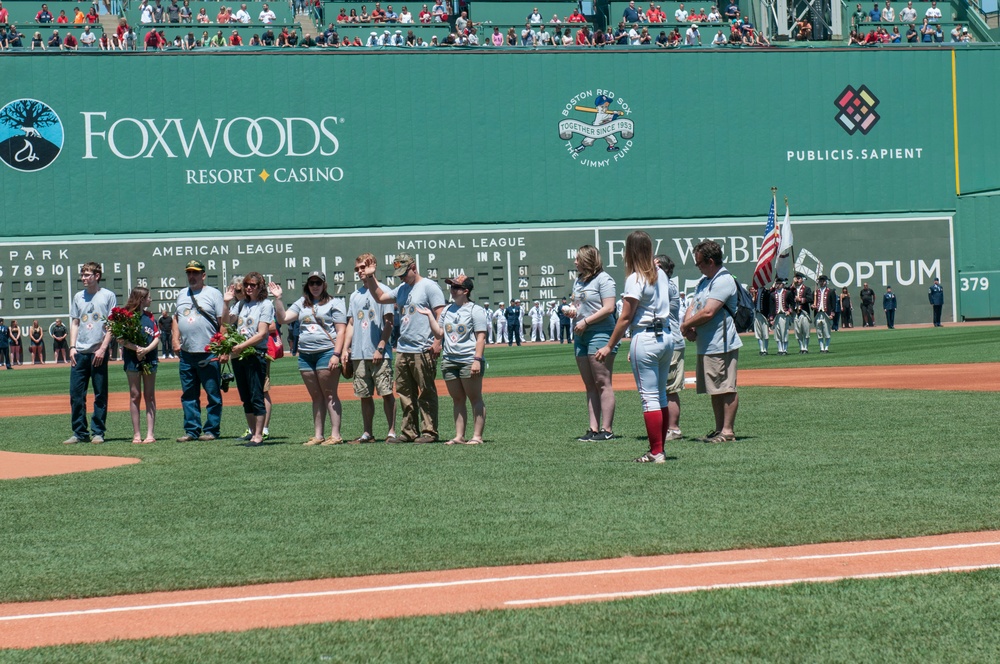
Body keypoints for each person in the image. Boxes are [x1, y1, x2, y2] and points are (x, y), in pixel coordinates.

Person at [595, 232, 672, 462]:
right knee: (661, 396)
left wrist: (610, 345)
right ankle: (660, 449)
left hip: (646, 336)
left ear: (630, 251)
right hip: (666, 336)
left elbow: (626, 317)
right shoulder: (661, 274)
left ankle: (656, 451)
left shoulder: (636, 278)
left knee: (649, 398)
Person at [359, 252, 445, 444]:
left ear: (414, 267)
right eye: (399, 275)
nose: (403, 277)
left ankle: (429, 432)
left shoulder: (429, 287)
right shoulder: (402, 288)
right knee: (405, 392)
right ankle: (409, 432)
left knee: (426, 391)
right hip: (404, 348)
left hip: (424, 347)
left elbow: (441, 314)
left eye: (405, 273)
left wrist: (437, 341)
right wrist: (372, 277)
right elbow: (380, 297)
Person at [271, 272, 347, 445]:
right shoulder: (301, 303)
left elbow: (341, 330)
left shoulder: (335, 303)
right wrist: (278, 299)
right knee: (316, 396)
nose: (315, 286)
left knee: (329, 394)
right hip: (305, 355)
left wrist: (336, 354)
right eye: (312, 282)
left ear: (324, 284)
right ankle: (318, 435)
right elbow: (282, 319)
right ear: (308, 285)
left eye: (318, 282)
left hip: (326, 352)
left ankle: (335, 435)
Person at [681, 240, 742, 444]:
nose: (698, 267)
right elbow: (694, 304)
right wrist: (688, 326)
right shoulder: (705, 280)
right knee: (714, 388)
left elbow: (708, 311)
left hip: (721, 341)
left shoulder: (723, 280)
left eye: (699, 263)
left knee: (726, 386)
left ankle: (728, 431)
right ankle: (719, 430)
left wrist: (685, 326)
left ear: (710, 260)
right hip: (707, 341)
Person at [416, 274, 487, 445]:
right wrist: (430, 317)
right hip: (449, 360)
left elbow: (481, 337)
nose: (452, 290)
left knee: (475, 398)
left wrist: (477, 359)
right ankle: (459, 436)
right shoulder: (447, 310)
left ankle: (477, 436)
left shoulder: (475, 310)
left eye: (455, 287)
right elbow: (439, 334)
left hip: (468, 359)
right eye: (451, 286)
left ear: (466, 291)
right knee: (457, 400)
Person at [342, 255, 397, 444]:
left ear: (372, 267)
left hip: (379, 352)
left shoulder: (385, 291)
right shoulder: (355, 295)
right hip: (359, 353)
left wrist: (381, 347)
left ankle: (391, 431)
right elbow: (351, 323)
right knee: (364, 394)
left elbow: (389, 322)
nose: (360, 271)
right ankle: (368, 433)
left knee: (386, 393)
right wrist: (345, 348)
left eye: (363, 267)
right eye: (357, 268)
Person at [64, 261, 116, 445]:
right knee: (76, 395)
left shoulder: (108, 296)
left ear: (97, 276)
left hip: (98, 352)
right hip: (79, 353)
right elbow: (75, 322)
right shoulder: (78, 297)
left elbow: (111, 324)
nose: (84, 278)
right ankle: (79, 432)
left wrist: (103, 348)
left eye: (87, 275)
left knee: (100, 394)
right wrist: (72, 347)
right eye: (83, 274)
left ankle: (98, 432)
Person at [173, 260, 225, 443]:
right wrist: (174, 338)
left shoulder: (213, 294)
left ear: (203, 275)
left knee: (212, 394)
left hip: (208, 352)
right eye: (189, 273)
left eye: (195, 273)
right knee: (188, 394)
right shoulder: (181, 294)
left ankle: (211, 429)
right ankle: (191, 430)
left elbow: (223, 322)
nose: (191, 276)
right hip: (187, 353)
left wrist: (222, 348)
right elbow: (176, 317)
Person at [569, 245, 617, 441]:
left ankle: (607, 429)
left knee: (602, 382)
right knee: (589, 384)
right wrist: (572, 310)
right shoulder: (579, 281)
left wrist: (586, 321)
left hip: (601, 333)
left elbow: (609, 308)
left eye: (578, 259)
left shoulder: (604, 279)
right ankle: (593, 428)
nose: (575, 262)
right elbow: (578, 304)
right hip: (581, 334)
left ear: (588, 260)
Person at [222, 272, 274, 446]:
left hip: (254, 354)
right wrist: (226, 302)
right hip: (239, 355)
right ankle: (252, 433)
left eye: (253, 285)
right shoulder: (241, 304)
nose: (249, 288)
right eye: (246, 285)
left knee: (256, 395)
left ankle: (259, 435)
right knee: (245, 396)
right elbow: (227, 322)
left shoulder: (265, 304)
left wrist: (242, 346)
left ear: (260, 287)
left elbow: (262, 333)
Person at [118, 287, 160, 444]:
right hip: (132, 359)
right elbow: (121, 339)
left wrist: (146, 350)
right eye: (148, 297)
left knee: (150, 395)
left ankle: (150, 434)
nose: (151, 299)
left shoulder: (150, 317)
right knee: (135, 395)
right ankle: (136, 434)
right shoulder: (127, 317)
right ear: (141, 299)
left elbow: (157, 337)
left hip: (149, 359)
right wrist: (136, 349)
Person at [654, 254, 685, 441]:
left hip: (671, 340)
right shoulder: (665, 284)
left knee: (670, 388)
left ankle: (673, 428)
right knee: (664, 387)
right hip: (667, 340)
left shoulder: (664, 284)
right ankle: (667, 427)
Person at [792, 272, 813, 354]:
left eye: (799, 278)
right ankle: (801, 347)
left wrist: (801, 299)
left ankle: (806, 347)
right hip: (795, 312)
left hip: (804, 312)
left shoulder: (806, 289)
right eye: (796, 278)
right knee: (798, 331)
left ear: (802, 279)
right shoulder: (793, 289)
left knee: (806, 331)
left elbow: (810, 299)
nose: (797, 280)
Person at [812, 275, 834, 353]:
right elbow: (813, 303)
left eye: (823, 281)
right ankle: (821, 348)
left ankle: (826, 347)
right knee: (819, 332)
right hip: (818, 313)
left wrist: (832, 313)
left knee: (827, 331)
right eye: (820, 281)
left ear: (826, 282)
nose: (821, 282)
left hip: (826, 313)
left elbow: (833, 303)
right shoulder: (816, 292)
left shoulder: (830, 291)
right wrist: (813, 306)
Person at [751, 283, 772, 356]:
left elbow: (769, 304)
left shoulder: (766, 292)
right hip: (757, 314)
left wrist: (769, 315)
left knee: (765, 333)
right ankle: (761, 349)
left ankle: (765, 349)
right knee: (758, 333)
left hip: (764, 315)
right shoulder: (755, 293)